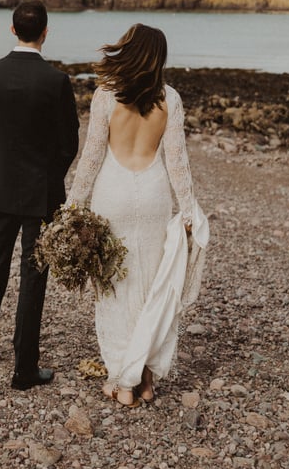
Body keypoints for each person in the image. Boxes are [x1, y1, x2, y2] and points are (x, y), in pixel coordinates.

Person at [66, 22, 208, 407]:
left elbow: (92, 156)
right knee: (151, 285)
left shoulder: (105, 96)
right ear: (158, 58)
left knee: (114, 286)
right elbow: (177, 162)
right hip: (153, 195)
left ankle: (121, 380)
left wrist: (72, 206)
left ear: (128, 51)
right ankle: (144, 379)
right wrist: (189, 209)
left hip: (111, 194)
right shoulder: (170, 99)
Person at [0, 0, 80, 390]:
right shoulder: (56, 82)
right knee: (34, 276)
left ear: (13, 30)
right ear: (46, 32)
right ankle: (24, 368)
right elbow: (69, 143)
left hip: (1, 185)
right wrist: (50, 175)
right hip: (41, 191)